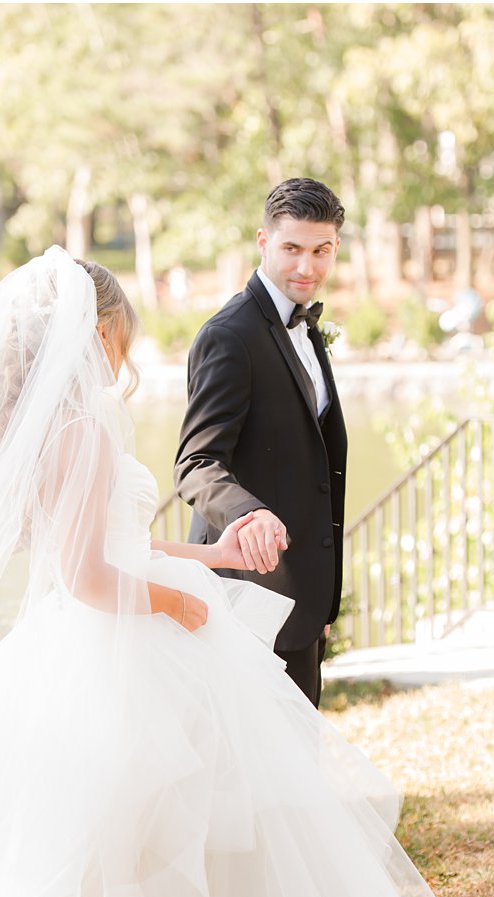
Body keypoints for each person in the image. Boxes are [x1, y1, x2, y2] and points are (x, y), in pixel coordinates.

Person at [0, 248, 467, 897]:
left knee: (159, 842)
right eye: (119, 337)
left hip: (81, 646)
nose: (124, 357)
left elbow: (118, 545)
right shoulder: (83, 428)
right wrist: (183, 611)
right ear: (95, 334)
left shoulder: (39, 430)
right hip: (116, 648)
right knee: (162, 841)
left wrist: (212, 554)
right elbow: (92, 575)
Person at [176, 177, 348, 706]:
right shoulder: (230, 335)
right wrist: (250, 515)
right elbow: (196, 463)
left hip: (299, 601)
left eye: (321, 251)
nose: (306, 268)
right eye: (291, 249)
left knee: (295, 774)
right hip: (245, 597)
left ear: (335, 247)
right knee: (241, 779)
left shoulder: (306, 329)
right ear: (263, 242)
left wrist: (319, 600)